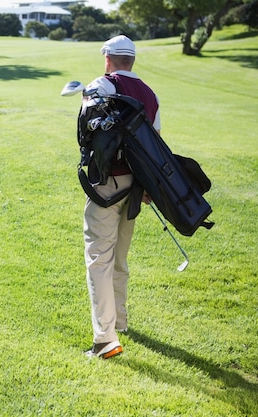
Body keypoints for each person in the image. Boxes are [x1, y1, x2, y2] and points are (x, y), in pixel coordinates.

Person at [81, 35, 161, 359]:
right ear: (132, 61)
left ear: (108, 59)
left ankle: (105, 339)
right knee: (119, 257)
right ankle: (121, 322)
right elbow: (156, 144)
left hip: (107, 185)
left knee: (99, 257)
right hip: (136, 188)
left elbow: (86, 131)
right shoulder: (150, 95)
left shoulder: (101, 84)